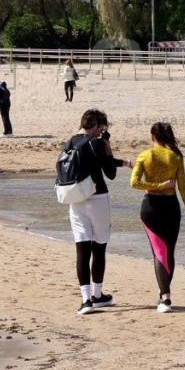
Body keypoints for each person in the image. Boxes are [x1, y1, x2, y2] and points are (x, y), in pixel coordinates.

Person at [65, 109, 130, 315]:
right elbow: (109, 172)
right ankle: (98, 295)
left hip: (75, 199)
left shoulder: (71, 142)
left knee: (82, 249)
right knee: (99, 246)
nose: (103, 130)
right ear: (96, 126)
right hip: (98, 198)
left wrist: (122, 161)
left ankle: (85, 301)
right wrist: (107, 145)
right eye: (102, 126)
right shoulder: (98, 143)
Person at [130, 122, 185, 313]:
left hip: (150, 207)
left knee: (159, 253)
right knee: (168, 253)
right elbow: (183, 187)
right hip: (171, 208)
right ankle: (164, 295)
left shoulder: (144, 155)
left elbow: (134, 183)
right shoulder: (175, 157)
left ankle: (165, 297)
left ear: (152, 136)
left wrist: (156, 186)